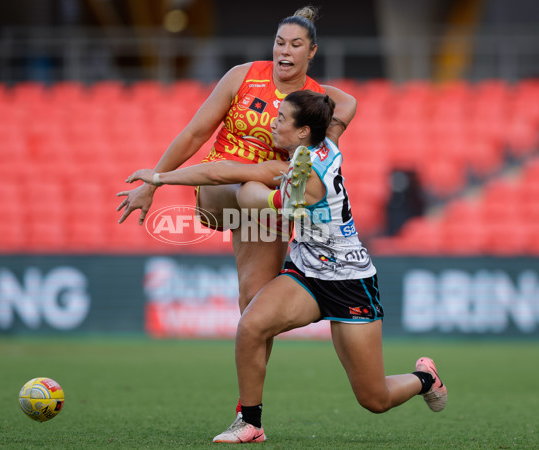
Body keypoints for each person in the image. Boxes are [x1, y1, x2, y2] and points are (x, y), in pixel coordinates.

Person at [125, 90, 448, 444]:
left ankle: (425, 379)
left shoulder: (310, 176)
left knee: (375, 399)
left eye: (281, 118)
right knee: (251, 325)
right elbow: (222, 171)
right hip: (306, 273)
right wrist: (158, 178)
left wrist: (252, 192)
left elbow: (260, 197)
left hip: (349, 281)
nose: (273, 122)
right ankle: (250, 422)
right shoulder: (313, 146)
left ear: (302, 131)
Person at [117, 5, 356, 421]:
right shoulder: (243, 75)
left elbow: (348, 102)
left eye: (296, 45)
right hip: (222, 192)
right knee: (244, 185)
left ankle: (249, 415)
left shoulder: (314, 100)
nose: (285, 51)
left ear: (311, 51)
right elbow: (195, 132)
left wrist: (331, 132)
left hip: (264, 207)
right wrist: (154, 182)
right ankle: (277, 197)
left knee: (254, 308)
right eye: (280, 42)